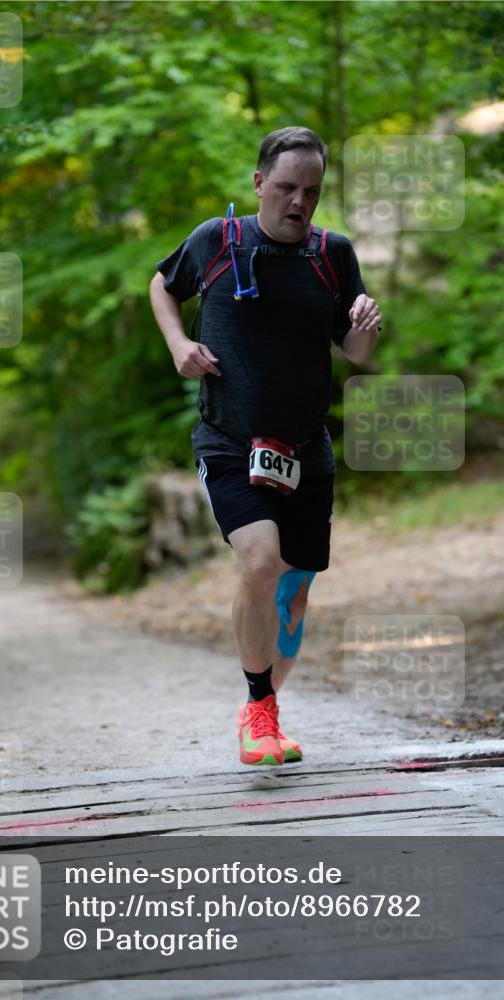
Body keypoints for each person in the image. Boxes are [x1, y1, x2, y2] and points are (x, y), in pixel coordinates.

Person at [149, 126, 381, 766]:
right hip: (228, 438)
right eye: (285, 187)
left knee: (295, 589)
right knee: (259, 559)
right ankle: (259, 709)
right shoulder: (217, 242)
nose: (298, 201)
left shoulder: (332, 255)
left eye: (311, 190)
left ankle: (265, 713)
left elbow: (356, 355)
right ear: (258, 184)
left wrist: (364, 329)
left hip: (305, 449)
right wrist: (178, 345)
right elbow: (162, 286)